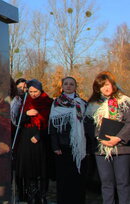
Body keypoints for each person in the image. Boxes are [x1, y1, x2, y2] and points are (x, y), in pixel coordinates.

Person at [86, 71, 130, 204]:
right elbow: (88, 125)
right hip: (101, 150)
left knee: (123, 183)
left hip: (121, 148)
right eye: (101, 86)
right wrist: (99, 137)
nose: (105, 88)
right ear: (97, 88)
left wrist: (118, 138)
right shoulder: (93, 105)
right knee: (106, 183)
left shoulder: (124, 101)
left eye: (107, 84)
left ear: (113, 85)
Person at [49, 76, 88, 204]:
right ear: (62, 87)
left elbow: (87, 125)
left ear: (75, 87)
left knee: (77, 179)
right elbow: (52, 127)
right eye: (66, 84)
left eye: (72, 84)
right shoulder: (56, 103)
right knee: (63, 179)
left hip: (79, 147)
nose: (69, 86)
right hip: (62, 147)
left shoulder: (82, 103)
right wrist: (55, 146)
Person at [14, 79, 52, 204]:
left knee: (42, 167)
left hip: (41, 137)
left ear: (40, 90)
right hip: (26, 137)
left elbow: (50, 122)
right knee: (29, 168)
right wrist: (26, 113)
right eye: (30, 91)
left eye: (35, 91)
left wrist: (40, 135)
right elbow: (19, 121)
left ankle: (42, 195)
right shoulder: (25, 101)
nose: (33, 94)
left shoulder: (47, 101)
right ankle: (31, 194)